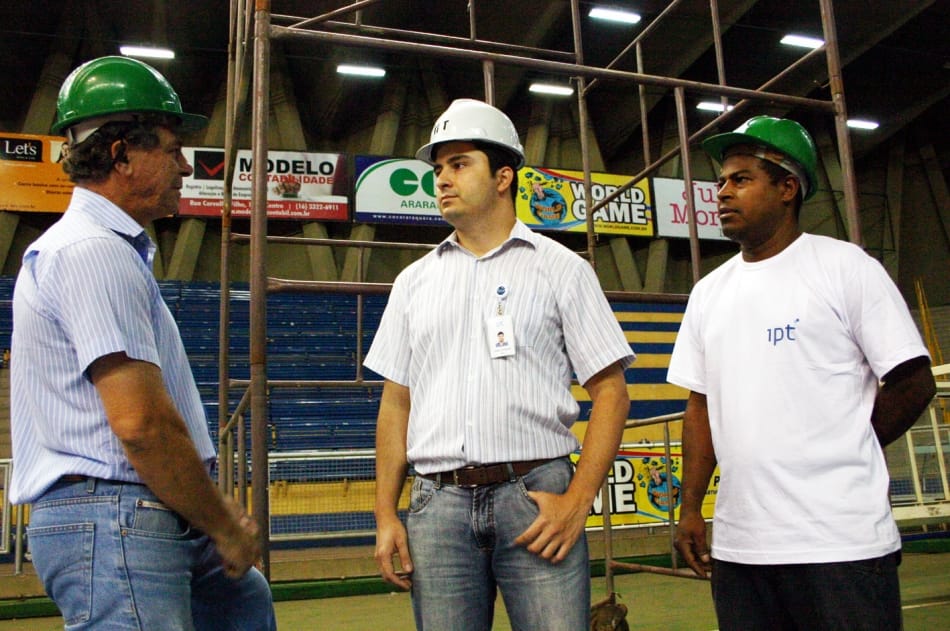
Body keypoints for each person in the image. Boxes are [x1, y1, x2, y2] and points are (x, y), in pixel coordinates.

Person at [9, 56, 276, 630]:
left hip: (145, 510)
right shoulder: (93, 252)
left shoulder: (101, 250)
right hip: (114, 510)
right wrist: (226, 524)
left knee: (246, 605)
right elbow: (142, 426)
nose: (185, 164)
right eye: (170, 147)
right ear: (120, 154)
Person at [365, 98, 634, 631]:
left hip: (537, 500)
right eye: (438, 168)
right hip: (435, 509)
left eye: (459, 164)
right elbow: (396, 404)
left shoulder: (562, 270)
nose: (442, 179)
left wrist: (579, 501)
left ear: (504, 176)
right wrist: (384, 515)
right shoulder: (413, 282)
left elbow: (611, 393)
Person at [667, 115, 937, 630]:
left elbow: (913, 380)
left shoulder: (844, 268)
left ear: (787, 188)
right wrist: (690, 508)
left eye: (741, 179)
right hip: (743, 550)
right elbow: (699, 407)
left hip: (840, 544)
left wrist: (849, 441)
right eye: (720, 181)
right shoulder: (709, 293)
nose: (721, 193)